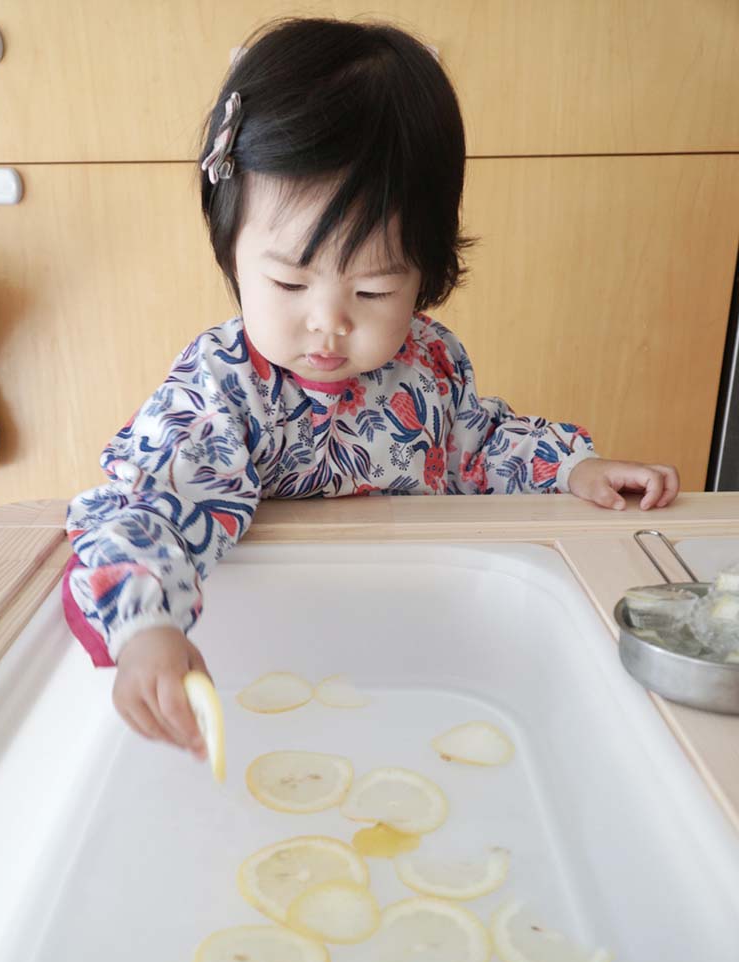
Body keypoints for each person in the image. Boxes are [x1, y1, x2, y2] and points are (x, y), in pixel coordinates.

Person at [63, 16, 680, 760]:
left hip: (409, 640)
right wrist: (147, 629)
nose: (327, 325)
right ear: (230, 248)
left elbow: (479, 445)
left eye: (375, 290)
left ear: (429, 273)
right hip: (263, 656)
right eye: (290, 281)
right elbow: (150, 509)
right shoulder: (222, 389)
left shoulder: (430, 363)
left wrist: (575, 467)